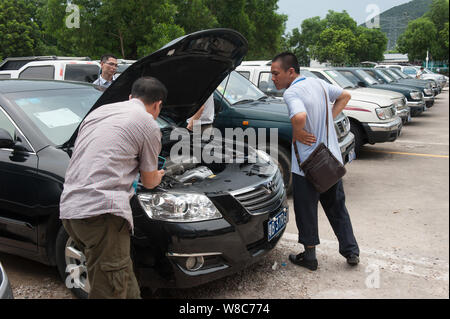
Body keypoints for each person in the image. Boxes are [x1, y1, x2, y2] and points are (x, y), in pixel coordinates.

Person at [60, 77, 167, 298]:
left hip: (71, 210)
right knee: (109, 289)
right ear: (158, 104)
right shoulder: (148, 124)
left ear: (131, 97)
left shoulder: (99, 112)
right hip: (102, 214)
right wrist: (160, 175)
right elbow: (149, 182)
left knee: (122, 280)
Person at [271, 52, 360, 271]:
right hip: (330, 161)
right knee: (337, 207)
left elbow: (299, 117)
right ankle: (351, 251)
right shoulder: (318, 83)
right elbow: (345, 96)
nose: (273, 78)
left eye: (276, 73)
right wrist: (330, 115)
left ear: (290, 71)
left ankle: (310, 258)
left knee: (306, 211)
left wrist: (298, 131)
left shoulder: (291, 93)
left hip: (307, 167)